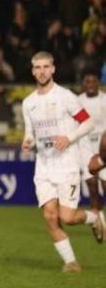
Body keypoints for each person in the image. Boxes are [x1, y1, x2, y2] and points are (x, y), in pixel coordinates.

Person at [22, 52, 104, 273]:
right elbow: (30, 133)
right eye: (37, 67)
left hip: (66, 164)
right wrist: (27, 142)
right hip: (44, 167)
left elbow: (87, 123)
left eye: (46, 67)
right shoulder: (28, 103)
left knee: (67, 217)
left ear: (53, 69)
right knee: (50, 216)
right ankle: (71, 262)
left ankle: (94, 217)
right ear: (33, 71)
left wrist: (69, 138)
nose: (41, 71)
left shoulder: (65, 97)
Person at [78, 70, 106, 220]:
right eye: (87, 82)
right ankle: (99, 221)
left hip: (104, 148)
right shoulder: (78, 101)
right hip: (85, 148)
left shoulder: (105, 100)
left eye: (93, 81)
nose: (90, 85)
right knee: (92, 185)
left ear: (98, 83)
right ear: (83, 84)